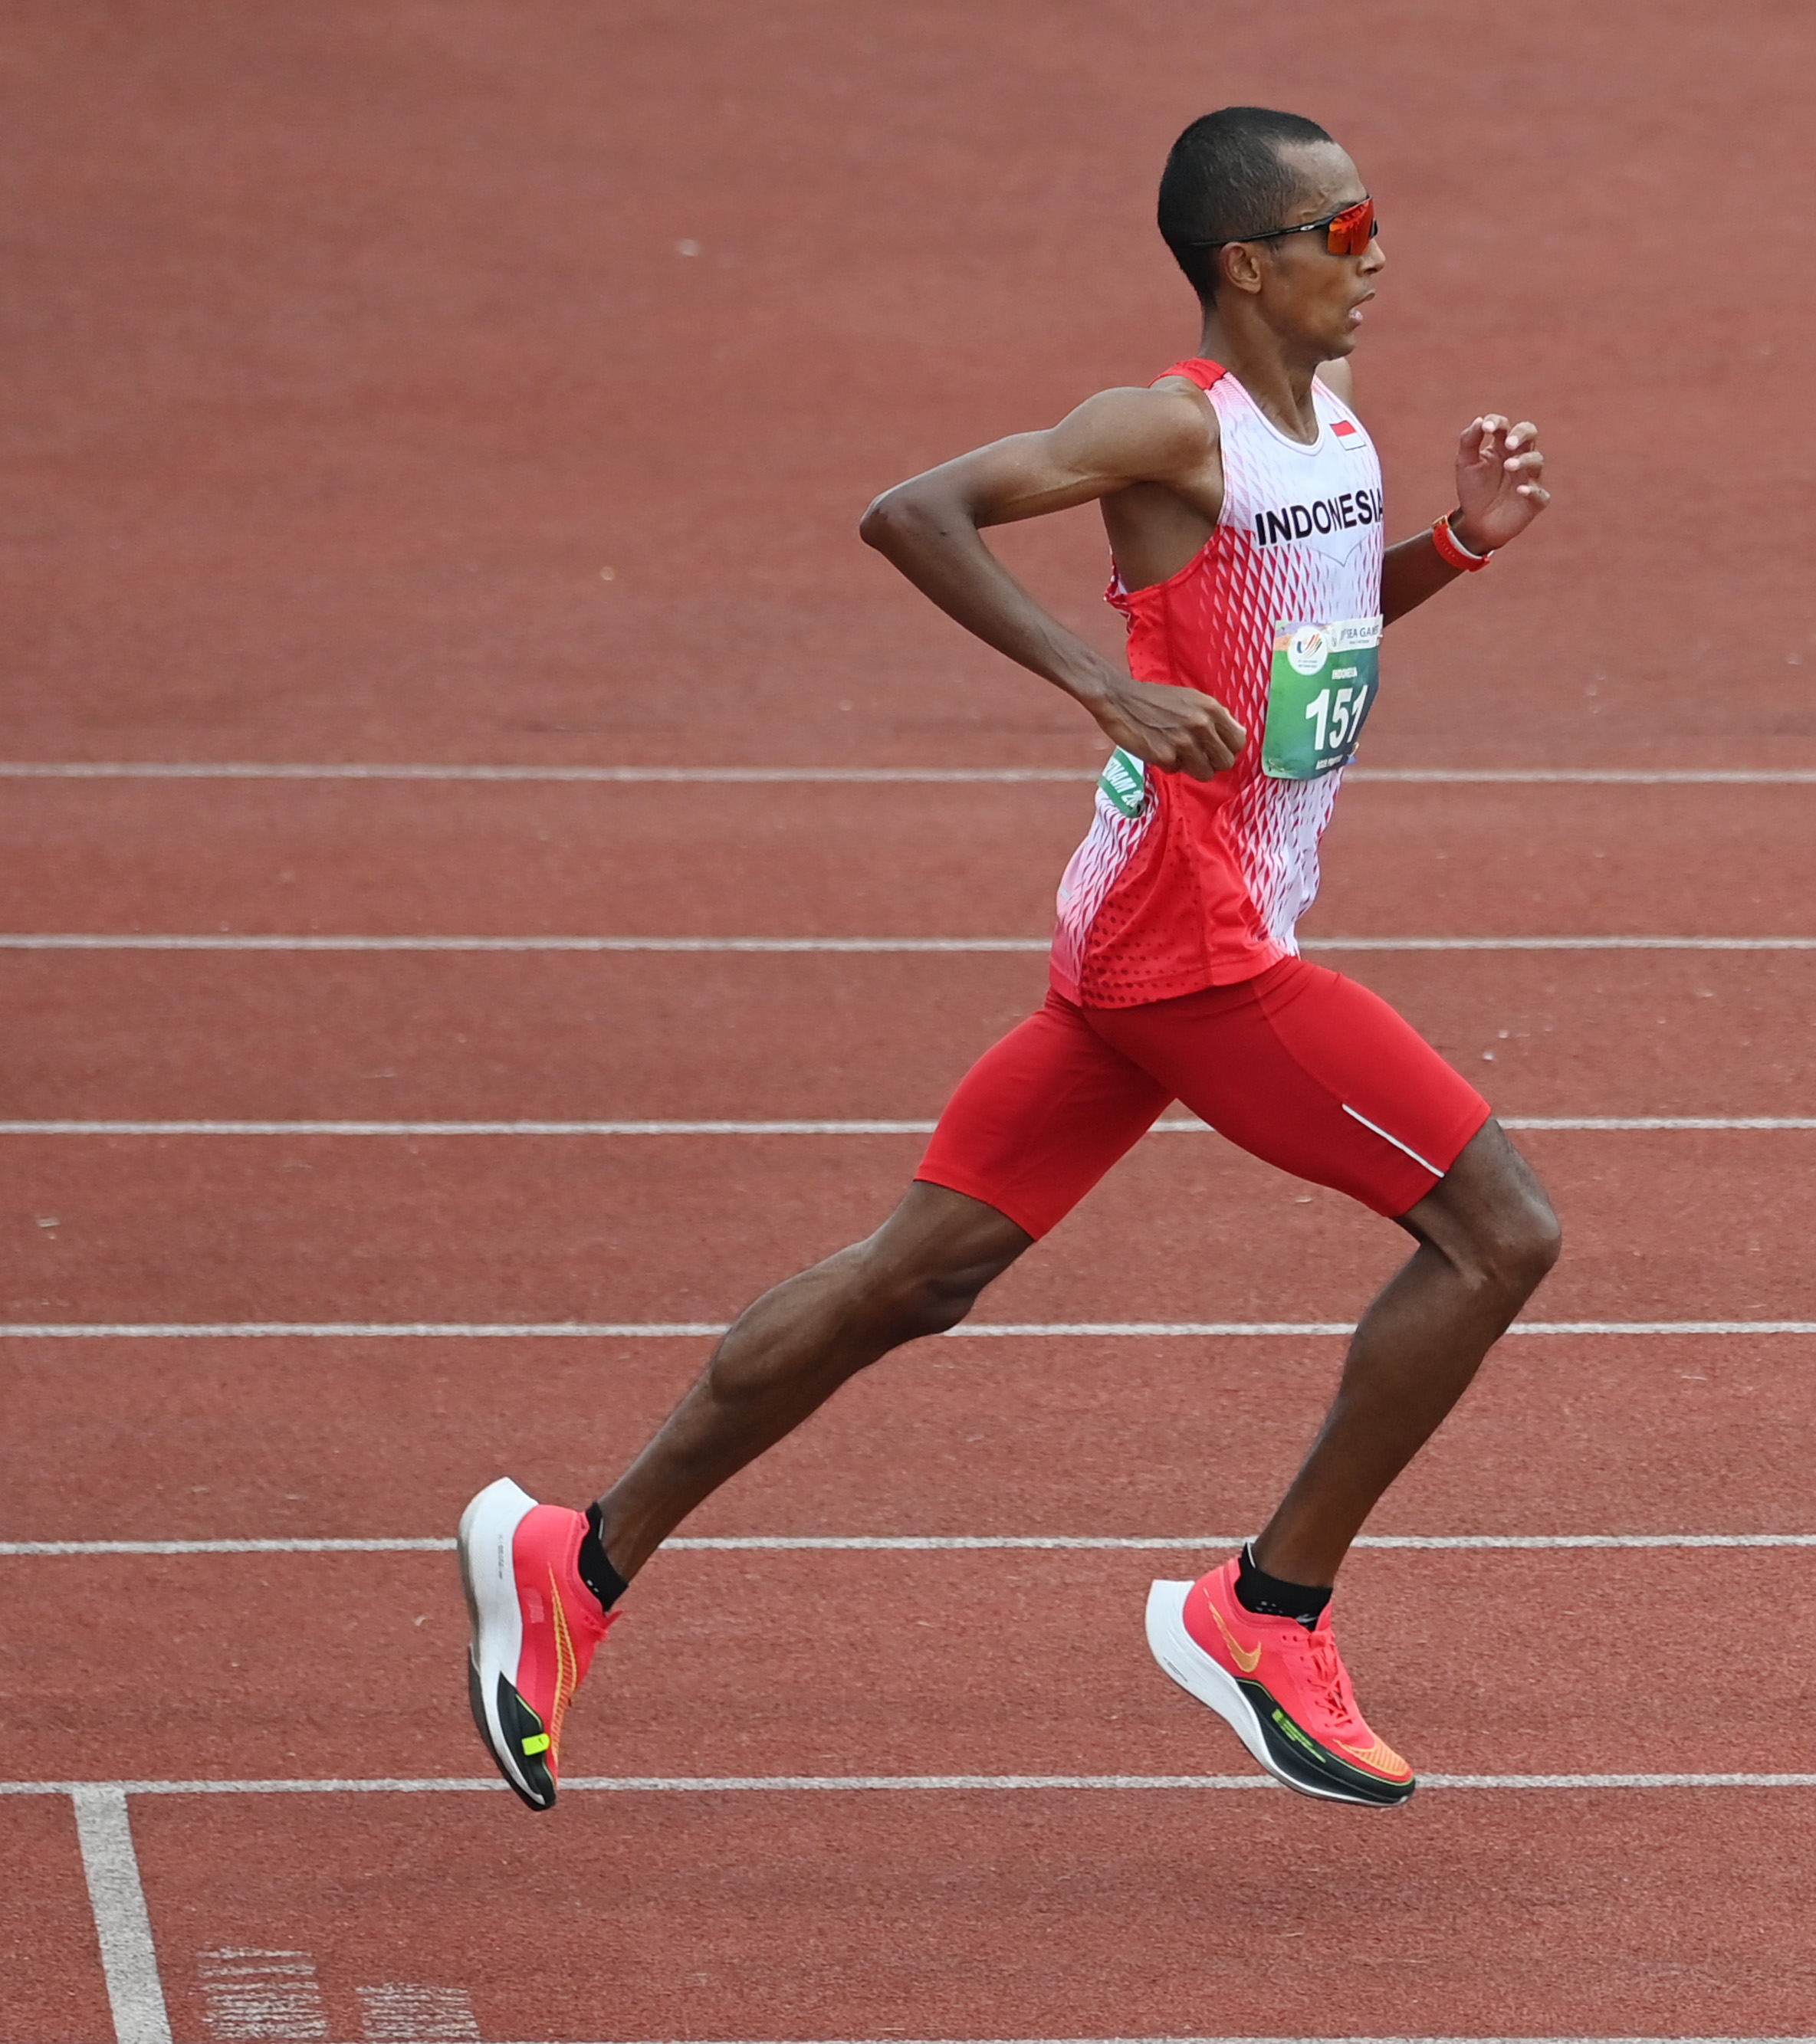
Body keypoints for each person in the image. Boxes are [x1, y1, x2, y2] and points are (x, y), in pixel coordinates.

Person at [458, 106, 1558, 1813]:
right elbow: (914, 512)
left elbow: (1306, 652)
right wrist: (1094, 680)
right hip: (1197, 951)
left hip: (1153, 927)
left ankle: (572, 1556)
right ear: (1244, 263)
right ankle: (1262, 1612)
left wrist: (1457, 551)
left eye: (1375, 222)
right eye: (1343, 233)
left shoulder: (1330, 433)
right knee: (1496, 1231)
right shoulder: (1161, 432)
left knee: (915, 1273)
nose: (1377, 255)